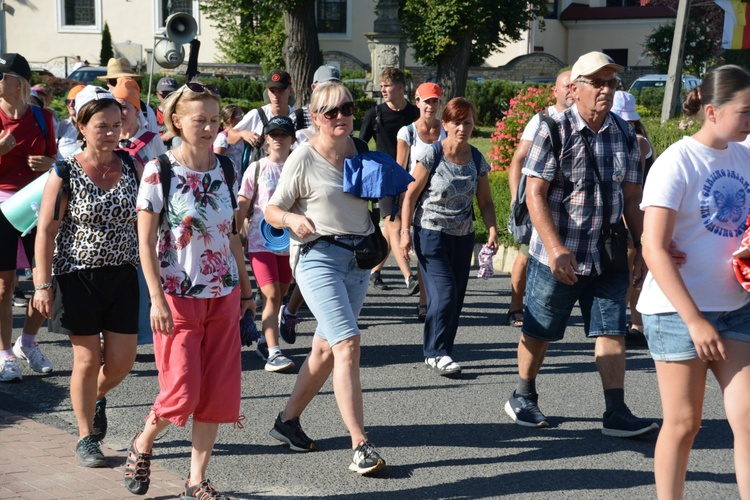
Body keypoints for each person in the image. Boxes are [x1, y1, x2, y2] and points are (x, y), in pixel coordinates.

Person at [504, 52, 659, 437]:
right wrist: (556, 249)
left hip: (606, 251)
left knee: (612, 329)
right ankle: (523, 394)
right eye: (598, 82)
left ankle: (616, 410)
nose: (607, 89)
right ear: (574, 89)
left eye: (612, 83)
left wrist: (643, 246)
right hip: (559, 253)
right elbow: (534, 195)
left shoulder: (625, 133)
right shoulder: (550, 128)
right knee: (540, 331)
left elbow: (632, 195)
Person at [126, 81, 254, 498]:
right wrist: (155, 299)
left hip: (224, 293)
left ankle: (197, 480)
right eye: (200, 120)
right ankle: (144, 441)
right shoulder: (158, 169)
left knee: (216, 393)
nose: (209, 127)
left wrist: (247, 286)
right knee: (182, 391)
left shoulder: (227, 167)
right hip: (178, 296)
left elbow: (231, 233)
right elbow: (145, 242)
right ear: (176, 121)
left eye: (215, 120)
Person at [638, 64, 750, 499]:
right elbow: (653, 248)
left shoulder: (744, 154)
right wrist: (694, 321)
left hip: (735, 306)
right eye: (745, 111)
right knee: (685, 423)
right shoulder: (676, 162)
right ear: (712, 112)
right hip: (676, 312)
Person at [264, 81, 386, 475]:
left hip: (357, 261)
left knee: (325, 350)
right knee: (347, 343)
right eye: (330, 112)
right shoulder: (303, 156)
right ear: (315, 118)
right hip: (317, 258)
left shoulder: (359, 149)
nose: (341, 117)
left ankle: (286, 422)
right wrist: (291, 219)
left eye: (347, 109)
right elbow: (271, 210)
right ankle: (360, 444)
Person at [33, 85, 141, 468]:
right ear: (81, 126)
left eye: (116, 124)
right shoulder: (65, 170)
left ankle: (93, 397)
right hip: (76, 276)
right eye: (101, 125)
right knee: (86, 358)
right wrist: (42, 285)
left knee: (121, 362)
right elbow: (45, 230)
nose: (111, 132)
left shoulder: (131, 165)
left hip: (124, 274)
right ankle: (85, 436)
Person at [399, 97, 498, 376]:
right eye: (456, 123)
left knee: (455, 298)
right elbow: (411, 196)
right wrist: (405, 232)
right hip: (430, 234)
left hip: (462, 236)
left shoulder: (477, 158)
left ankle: (440, 350)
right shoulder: (432, 154)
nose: (462, 128)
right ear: (446, 124)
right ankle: (436, 351)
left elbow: (486, 202)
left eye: (467, 123)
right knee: (445, 293)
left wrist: (492, 229)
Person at [0, 53, 56, 381]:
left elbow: (55, 160)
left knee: (45, 281)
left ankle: (28, 342)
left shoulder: (42, 116)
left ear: (19, 81)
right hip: (3, 204)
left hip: (36, 202)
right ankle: (5, 352)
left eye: (2, 75)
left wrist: (50, 165)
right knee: (5, 285)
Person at [506, 70, 573, 328]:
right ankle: (515, 306)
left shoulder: (582, 119)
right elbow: (518, 159)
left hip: (570, 209)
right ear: (555, 91)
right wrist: (516, 200)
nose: (570, 91)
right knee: (527, 253)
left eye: (573, 86)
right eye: (565, 86)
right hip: (540, 202)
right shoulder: (542, 119)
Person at [238, 115, 296, 372]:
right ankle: (274, 352)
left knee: (282, 293)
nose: (278, 139)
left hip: (291, 239)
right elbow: (243, 202)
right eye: (273, 134)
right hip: (260, 241)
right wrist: (232, 232)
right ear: (266, 140)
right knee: (271, 294)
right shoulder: (258, 167)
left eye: (284, 134)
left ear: (292, 139)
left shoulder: (298, 166)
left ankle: (265, 338)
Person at [360, 67, 420, 292]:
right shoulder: (374, 114)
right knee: (393, 224)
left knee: (388, 231)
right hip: (383, 179)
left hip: (411, 177)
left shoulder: (414, 114)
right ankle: (409, 277)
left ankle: (374, 271)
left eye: (387, 85)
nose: (383, 90)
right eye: (381, 86)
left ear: (401, 88)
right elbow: (360, 146)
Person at [395, 82, 447, 321]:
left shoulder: (446, 129)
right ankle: (424, 301)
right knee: (424, 250)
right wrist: (402, 206)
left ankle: (440, 298)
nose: (431, 106)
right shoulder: (407, 133)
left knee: (441, 250)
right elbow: (400, 170)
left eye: (435, 101)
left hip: (442, 199)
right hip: (415, 198)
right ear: (417, 102)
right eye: (427, 101)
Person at [611, 90, 654, 346]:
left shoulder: (635, 140)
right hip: (632, 211)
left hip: (636, 213)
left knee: (633, 267)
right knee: (632, 268)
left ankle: (635, 323)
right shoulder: (629, 136)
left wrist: (629, 223)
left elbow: (633, 188)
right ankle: (634, 321)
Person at [227, 70, 296, 168]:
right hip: (260, 175)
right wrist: (243, 133)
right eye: (272, 91)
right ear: (267, 91)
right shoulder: (258, 114)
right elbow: (229, 137)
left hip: (290, 172)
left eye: (280, 90)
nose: (276, 95)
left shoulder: (296, 117)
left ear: (290, 91)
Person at [112, 79, 166, 165]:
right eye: (116, 107)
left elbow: (165, 171)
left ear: (137, 110)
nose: (119, 112)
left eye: (124, 107)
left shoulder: (152, 140)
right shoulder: (109, 138)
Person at [102, 57, 159, 133]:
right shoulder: (100, 109)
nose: (121, 84)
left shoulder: (146, 111)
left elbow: (154, 141)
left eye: (126, 81)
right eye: (115, 81)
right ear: (107, 83)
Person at [295, 64, 341, 140]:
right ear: (314, 87)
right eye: (326, 87)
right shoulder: (297, 117)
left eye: (336, 86)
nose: (332, 91)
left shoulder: (343, 115)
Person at [213, 103, 245, 176]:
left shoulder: (239, 135)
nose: (243, 117)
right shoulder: (222, 137)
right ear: (231, 120)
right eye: (240, 115)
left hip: (237, 180)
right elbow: (217, 160)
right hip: (226, 179)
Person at [57, 84, 86, 159]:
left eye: (75, 101)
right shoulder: (61, 126)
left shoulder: (93, 127)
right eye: (68, 101)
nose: (70, 104)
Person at [155, 77, 179, 149]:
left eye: (171, 94)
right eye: (165, 94)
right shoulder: (150, 115)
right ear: (158, 95)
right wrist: (165, 137)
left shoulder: (183, 114)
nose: (168, 97)